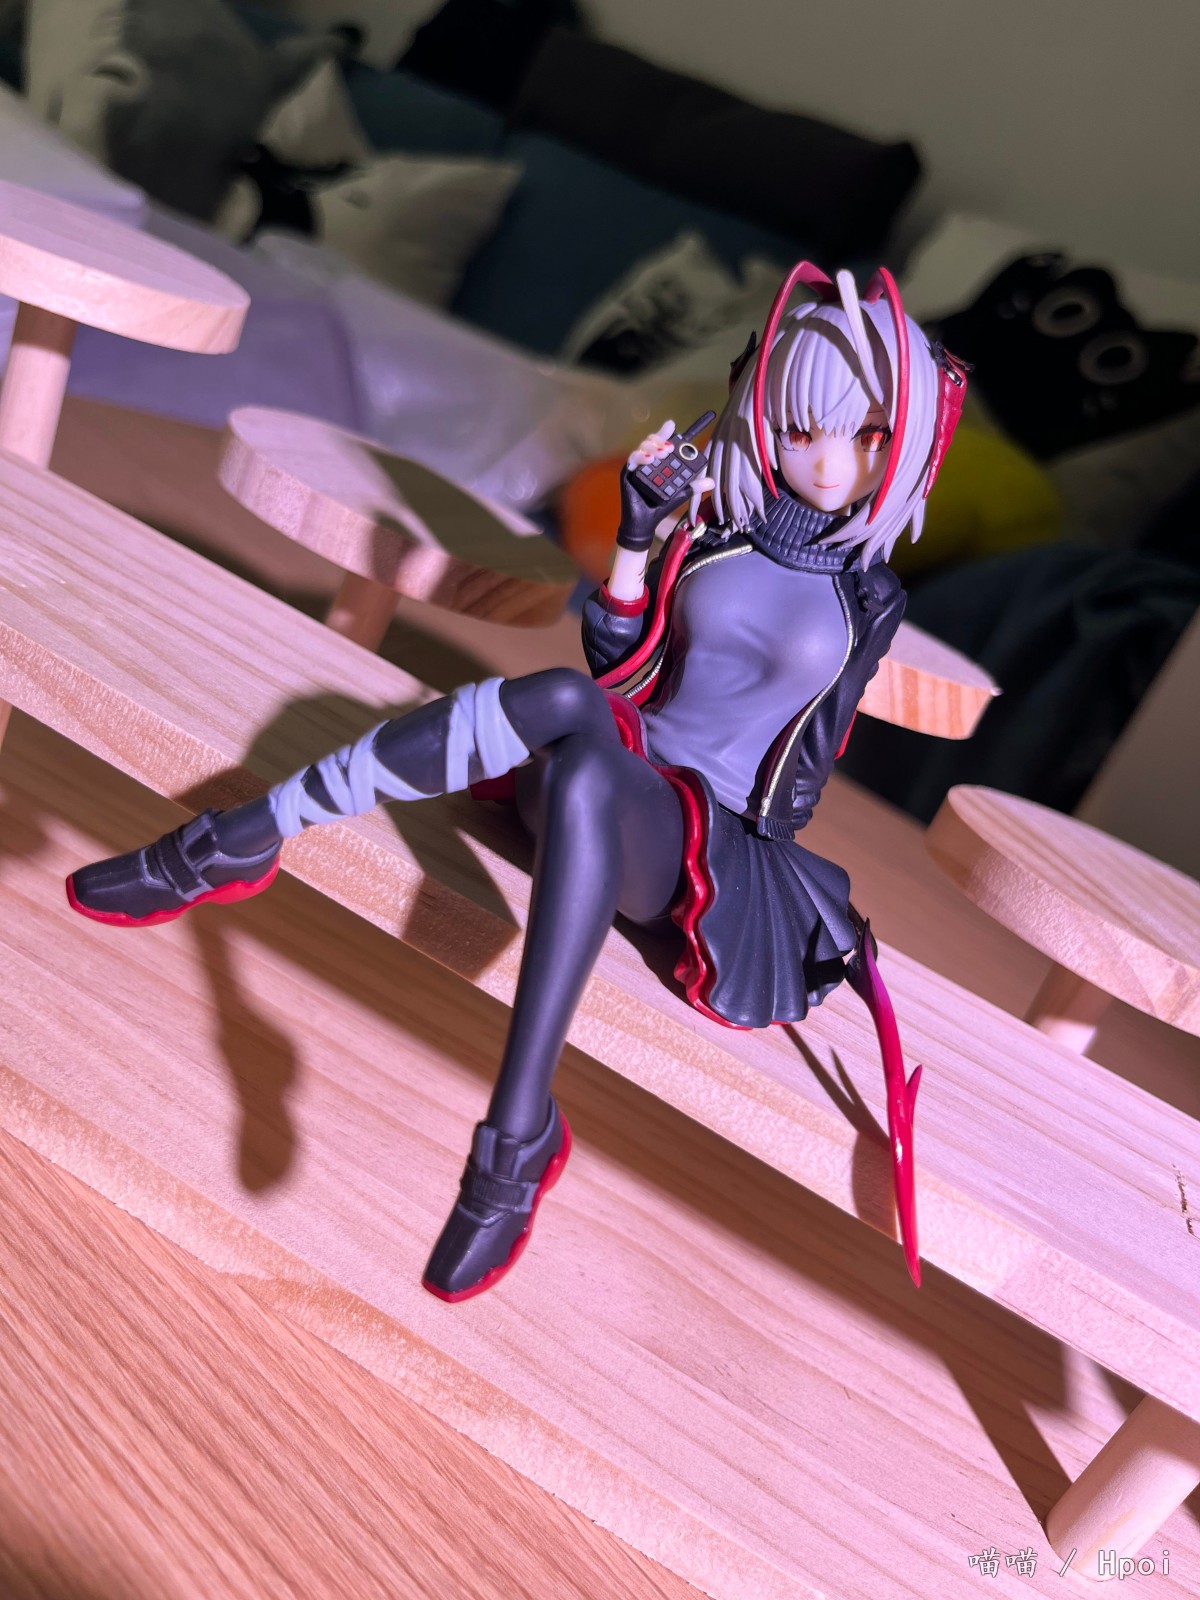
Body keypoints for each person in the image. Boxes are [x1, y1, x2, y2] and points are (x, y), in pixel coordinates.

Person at [66, 262, 968, 1300]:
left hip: (702, 852)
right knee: (574, 725)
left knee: (585, 764)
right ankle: (262, 847)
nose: (828, 459)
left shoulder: (869, 601)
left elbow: (799, 777)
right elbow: (618, 672)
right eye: (803, 427)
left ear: (904, 447)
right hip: (608, 768)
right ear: (765, 415)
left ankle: (499, 1115)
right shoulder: (711, 532)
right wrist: (636, 537)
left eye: (865, 436)